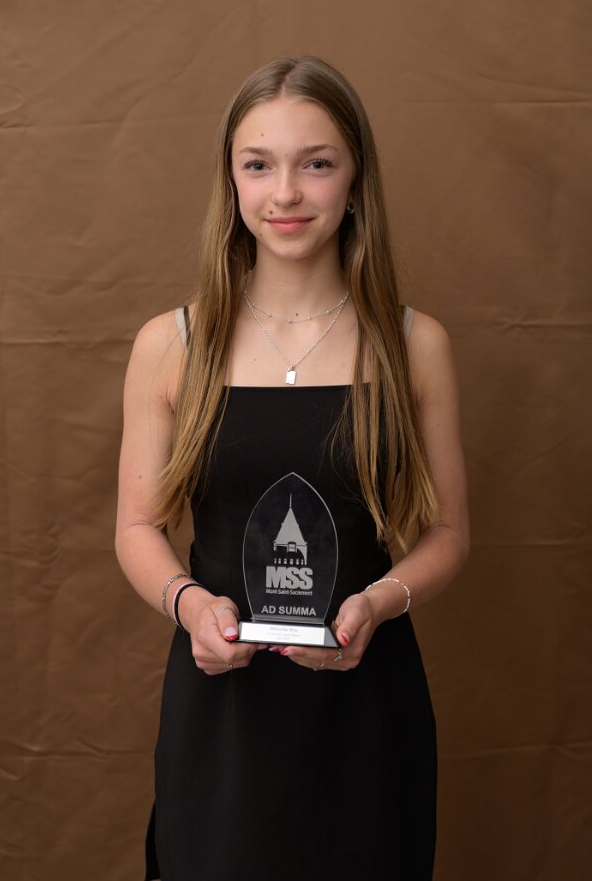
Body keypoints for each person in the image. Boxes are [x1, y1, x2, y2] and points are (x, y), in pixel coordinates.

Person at [115, 55, 469, 881]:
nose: (284, 194)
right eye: (257, 165)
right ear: (230, 181)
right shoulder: (170, 344)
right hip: (222, 713)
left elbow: (450, 533)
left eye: (315, 164)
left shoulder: (414, 344)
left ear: (355, 179)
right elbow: (135, 526)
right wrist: (189, 606)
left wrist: (375, 604)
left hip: (367, 712)